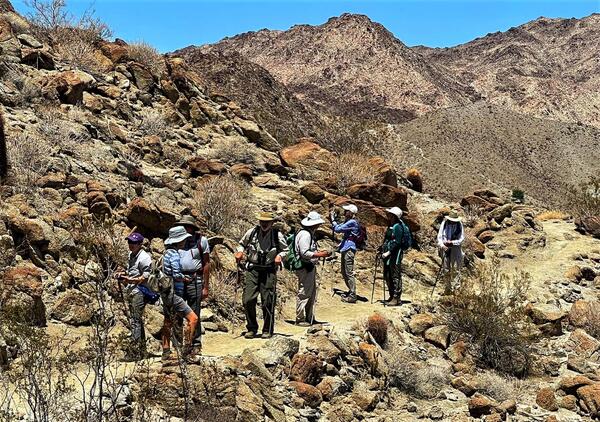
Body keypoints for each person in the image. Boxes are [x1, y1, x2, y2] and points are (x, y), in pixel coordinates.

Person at [235, 212, 287, 339]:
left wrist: (279, 256)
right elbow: (241, 244)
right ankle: (252, 328)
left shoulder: (277, 235)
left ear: (272, 223)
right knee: (248, 300)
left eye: (267, 222)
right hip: (252, 270)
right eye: (262, 221)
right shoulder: (252, 232)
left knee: (268, 301)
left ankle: (267, 329)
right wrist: (240, 252)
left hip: (269, 271)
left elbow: (286, 250)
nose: (264, 224)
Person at [160, 226, 199, 361]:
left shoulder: (166, 253)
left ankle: (166, 350)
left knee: (168, 321)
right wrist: (186, 278)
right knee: (193, 319)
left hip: (166, 292)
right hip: (175, 292)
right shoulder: (175, 254)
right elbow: (176, 274)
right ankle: (186, 351)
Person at [115, 232, 153, 360]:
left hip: (140, 291)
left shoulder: (144, 258)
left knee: (135, 320)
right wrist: (122, 275)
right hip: (131, 290)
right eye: (129, 242)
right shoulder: (130, 255)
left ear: (140, 244)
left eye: (134, 243)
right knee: (136, 319)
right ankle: (142, 351)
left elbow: (145, 277)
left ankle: (135, 351)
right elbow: (131, 271)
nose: (131, 245)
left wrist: (129, 279)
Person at [175, 216, 210, 352]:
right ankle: (178, 343)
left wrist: (206, 287)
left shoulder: (202, 241)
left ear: (192, 228)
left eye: (187, 226)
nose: (185, 228)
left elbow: (207, 263)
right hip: (178, 280)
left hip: (195, 279)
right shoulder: (175, 240)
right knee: (177, 311)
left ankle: (195, 343)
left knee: (194, 311)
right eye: (183, 226)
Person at [295, 211, 331, 326]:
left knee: (310, 292)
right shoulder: (306, 234)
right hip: (305, 266)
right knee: (305, 292)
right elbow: (304, 253)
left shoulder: (306, 233)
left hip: (308, 266)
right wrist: (320, 255)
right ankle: (300, 318)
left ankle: (309, 317)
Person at [381, 207, 411, 306]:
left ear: (394, 216)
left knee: (395, 275)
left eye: (390, 214)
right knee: (388, 275)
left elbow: (397, 242)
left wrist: (388, 252)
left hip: (395, 254)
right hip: (389, 253)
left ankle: (396, 298)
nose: (388, 216)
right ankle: (391, 295)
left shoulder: (397, 227)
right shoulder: (392, 225)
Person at [330, 204, 360, 303]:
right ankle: (351, 291)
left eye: (346, 210)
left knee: (348, 272)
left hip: (349, 249)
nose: (345, 212)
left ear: (351, 213)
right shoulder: (349, 221)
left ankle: (352, 295)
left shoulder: (352, 222)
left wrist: (333, 220)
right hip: (346, 248)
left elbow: (338, 229)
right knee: (344, 271)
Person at [437, 210, 465, 295]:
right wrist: (443, 245)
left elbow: (461, 238)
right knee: (446, 269)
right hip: (445, 248)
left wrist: (452, 242)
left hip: (455, 248)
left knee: (456, 268)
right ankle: (447, 289)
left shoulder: (459, 225)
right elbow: (439, 237)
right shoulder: (444, 224)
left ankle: (457, 289)